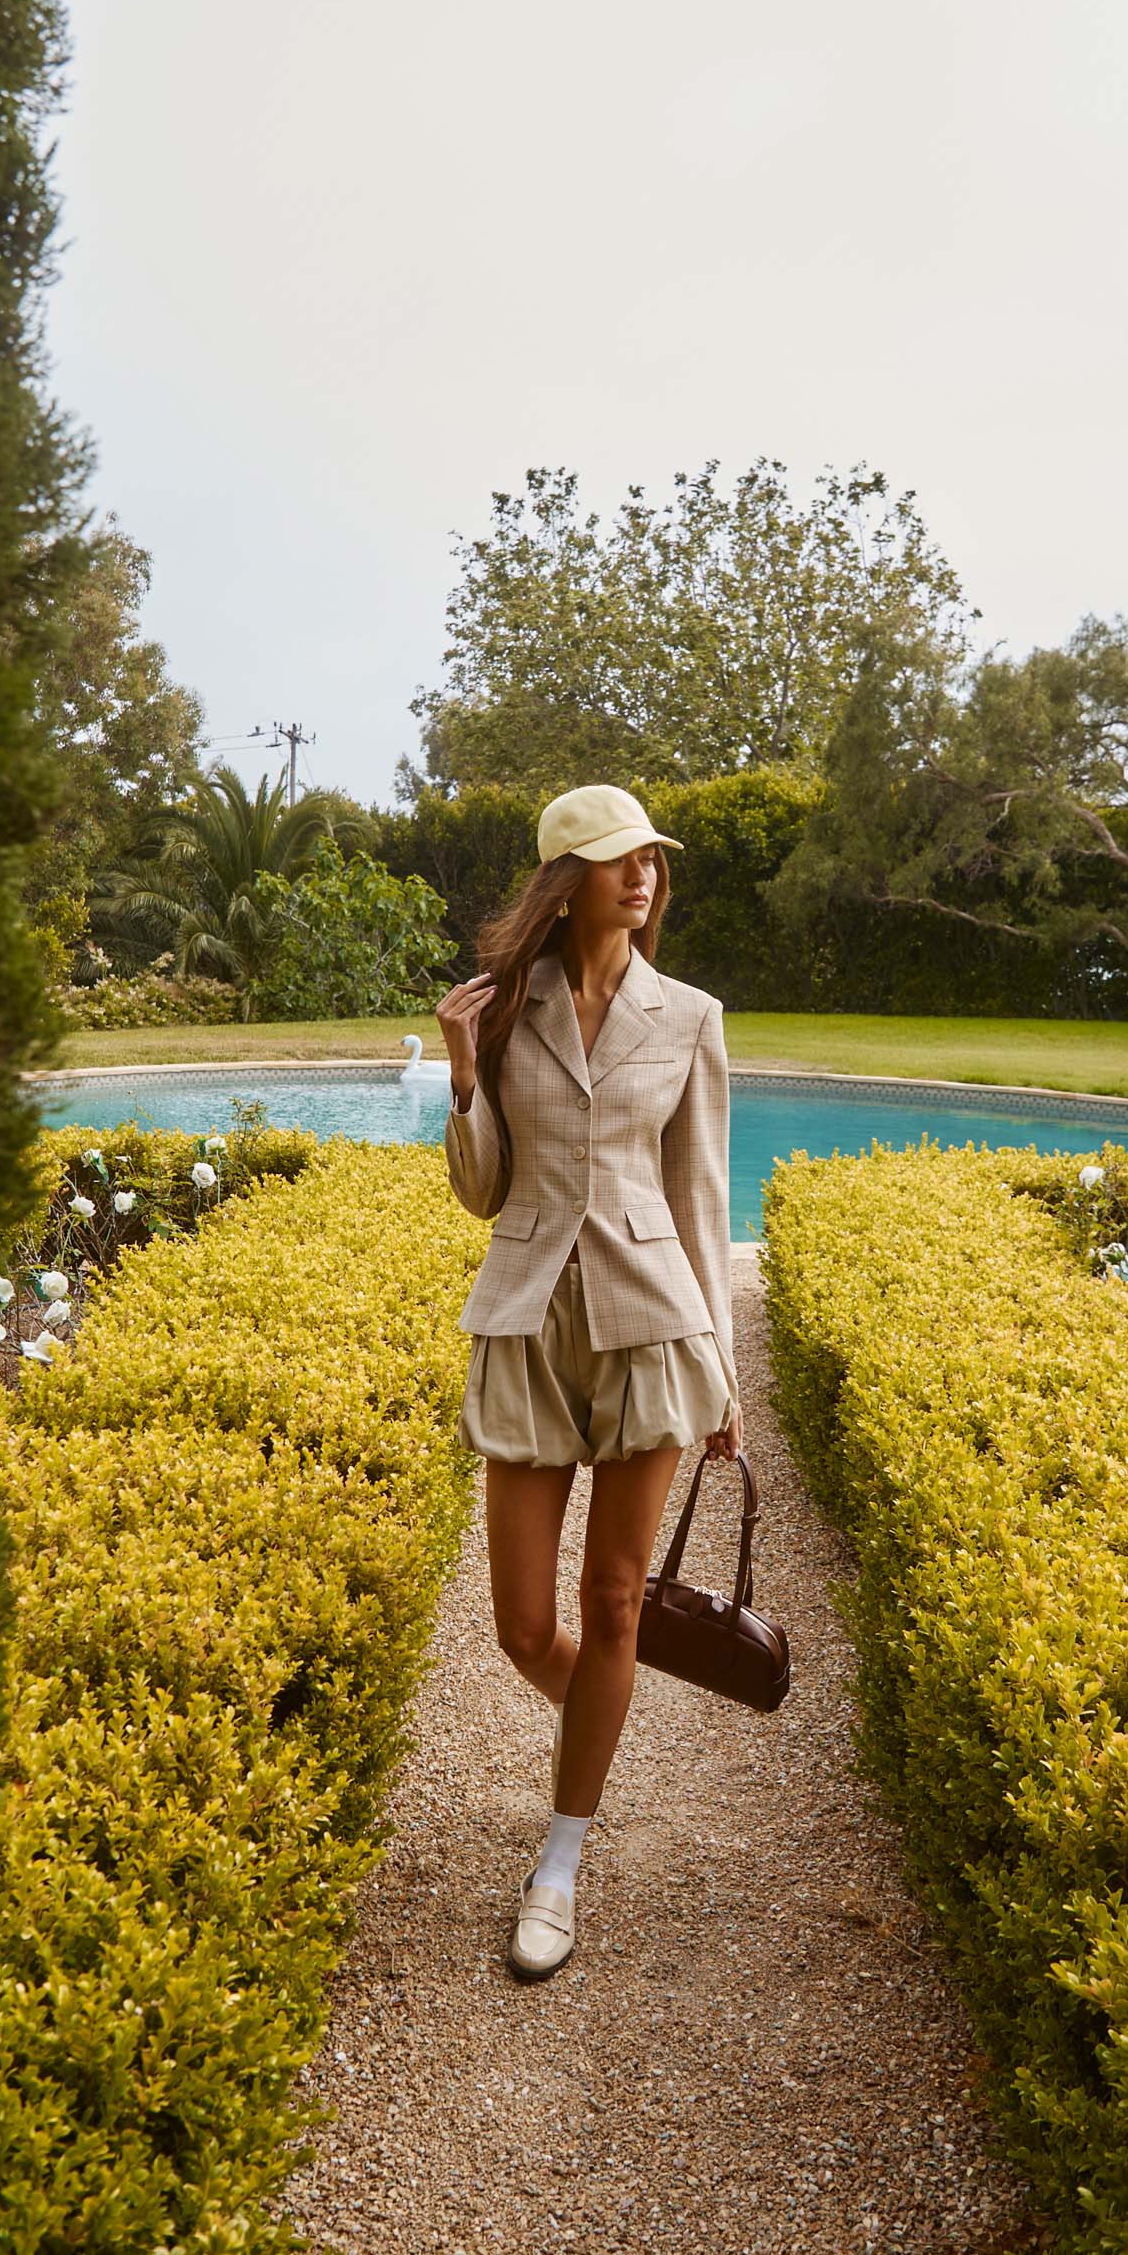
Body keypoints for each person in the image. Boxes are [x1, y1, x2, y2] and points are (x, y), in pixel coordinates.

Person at [436, 784, 740, 1982]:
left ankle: (559, 1858)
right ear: (567, 879)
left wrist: (723, 1372)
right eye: (618, 860)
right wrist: (465, 1077)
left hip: (651, 1324)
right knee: (522, 1624)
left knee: (613, 1603)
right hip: (525, 1320)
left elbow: (701, 1196)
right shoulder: (505, 1010)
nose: (643, 876)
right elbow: (482, 1189)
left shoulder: (692, 1015)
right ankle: (598, 1722)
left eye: (650, 859)